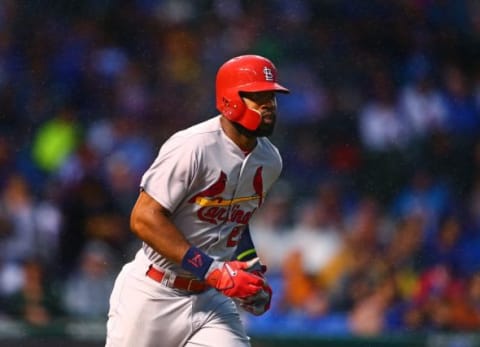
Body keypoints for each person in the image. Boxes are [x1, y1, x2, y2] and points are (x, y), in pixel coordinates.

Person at [105, 54, 290, 347]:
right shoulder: (193, 146)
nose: (268, 104)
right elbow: (143, 218)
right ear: (230, 99)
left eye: (272, 96)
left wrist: (250, 269)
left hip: (210, 300)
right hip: (154, 293)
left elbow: (235, 220)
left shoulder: (270, 160)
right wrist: (214, 270)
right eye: (257, 96)